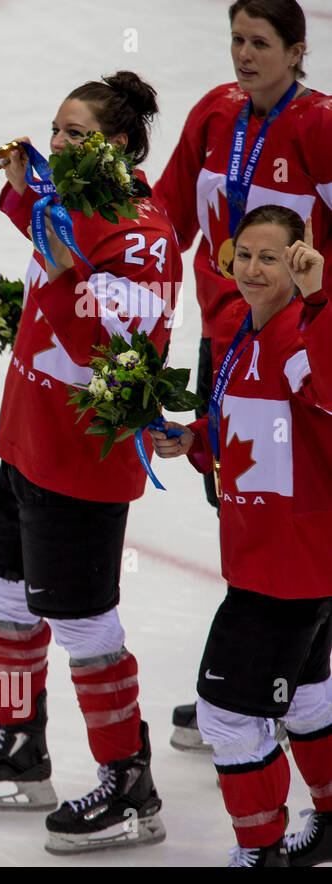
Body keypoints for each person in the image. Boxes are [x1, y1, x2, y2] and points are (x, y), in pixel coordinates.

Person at [0, 72, 183, 855]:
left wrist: (61, 263)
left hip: (81, 454)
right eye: (58, 130)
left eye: (78, 134)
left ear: (120, 146)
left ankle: (130, 784)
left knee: (82, 620)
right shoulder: (80, 203)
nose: (60, 145)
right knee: (1, 590)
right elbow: (53, 233)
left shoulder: (143, 232)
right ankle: (21, 745)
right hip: (28, 436)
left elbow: (111, 345)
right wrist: (20, 195)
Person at [152, 0, 332, 753]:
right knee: (238, 496)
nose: (244, 56)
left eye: (261, 43)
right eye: (236, 40)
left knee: (302, 504)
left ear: (296, 52)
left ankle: (265, 673)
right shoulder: (214, 115)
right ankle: (267, 670)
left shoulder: (319, 125)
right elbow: (165, 217)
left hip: (298, 349)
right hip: (227, 347)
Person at [151, 206, 332, 866]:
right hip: (277, 559)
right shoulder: (242, 332)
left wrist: (321, 300)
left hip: (287, 566)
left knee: (226, 712)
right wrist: (192, 440)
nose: (253, 270)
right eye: (245, 256)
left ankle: (262, 857)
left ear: (300, 261)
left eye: (272, 258)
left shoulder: (300, 336)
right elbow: (243, 431)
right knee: (308, 694)